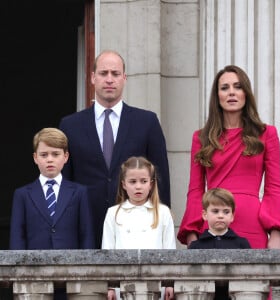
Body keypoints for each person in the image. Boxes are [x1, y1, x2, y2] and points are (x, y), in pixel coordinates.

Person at [59, 50, 170, 248]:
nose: (109, 79)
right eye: (103, 73)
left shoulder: (147, 122)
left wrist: (162, 224)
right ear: (93, 77)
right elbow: (65, 183)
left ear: (124, 78)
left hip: (136, 231)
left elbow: (160, 178)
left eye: (115, 73)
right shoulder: (70, 126)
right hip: (86, 228)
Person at [177, 65, 280, 250]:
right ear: (217, 96)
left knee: (255, 279)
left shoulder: (266, 134)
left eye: (238, 86)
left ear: (246, 93)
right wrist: (192, 233)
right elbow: (195, 190)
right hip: (213, 228)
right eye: (225, 88)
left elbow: (274, 188)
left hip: (252, 225)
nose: (231, 92)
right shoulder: (201, 137)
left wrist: (276, 233)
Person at [9, 128, 95, 299]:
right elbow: (17, 238)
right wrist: (18, 276)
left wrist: (87, 275)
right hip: (33, 278)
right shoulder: (22, 194)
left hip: (72, 279)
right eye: (44, 154)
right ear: (35, 158)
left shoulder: (79, 192)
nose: (49, 159)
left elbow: (87, 235)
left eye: (55, 154)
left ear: (66, 157)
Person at [102, 156, 176, 300]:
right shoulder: (113, 213)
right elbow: (107, 250)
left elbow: (170, 249)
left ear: (151, 184)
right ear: (123, 184)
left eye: (143, 181)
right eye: (132, 181)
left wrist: (169, 283)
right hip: (122, 286)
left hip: (156, 284)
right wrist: (110, 286)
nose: (138, 186)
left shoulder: (162, 212)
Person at [189, 188, 251, 300]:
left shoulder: (242, 244)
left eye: (226, 211)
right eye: (215, 211)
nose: (221, 215)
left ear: (232, 216)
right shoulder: (195, 246)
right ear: (204, 215)